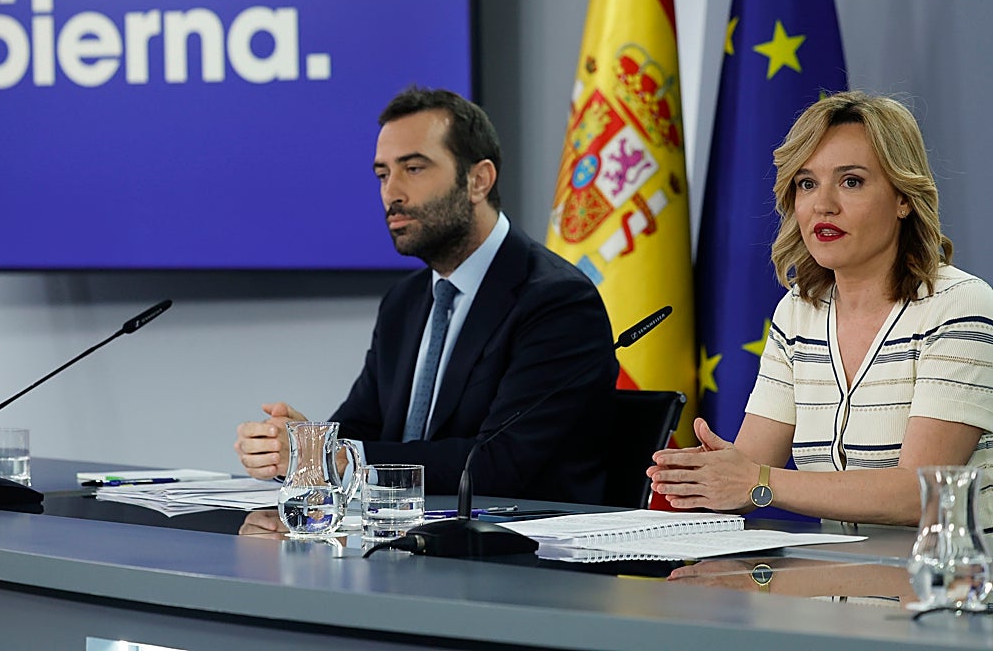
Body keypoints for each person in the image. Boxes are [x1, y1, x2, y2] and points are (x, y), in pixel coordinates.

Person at [234, 87, 618, 503]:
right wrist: (298, 446)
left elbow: (497, 465)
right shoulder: (406, 300)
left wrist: (338, 458)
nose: (391, 193)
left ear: (478, 180)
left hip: (521, 556)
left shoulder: (557, 302)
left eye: (413, 169)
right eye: (382, 175)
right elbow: (363, 429)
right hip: (408, 546)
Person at [649, 91, 993, 526]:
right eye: (807, 183)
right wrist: (705, 475)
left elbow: (921, 494)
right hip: (829, 582)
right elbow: (748, 474)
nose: (822, 204)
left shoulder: (958, 305)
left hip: (946, 586)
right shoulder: (798, 312)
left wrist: (755, 480)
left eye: (851, 181)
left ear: (904, 198)